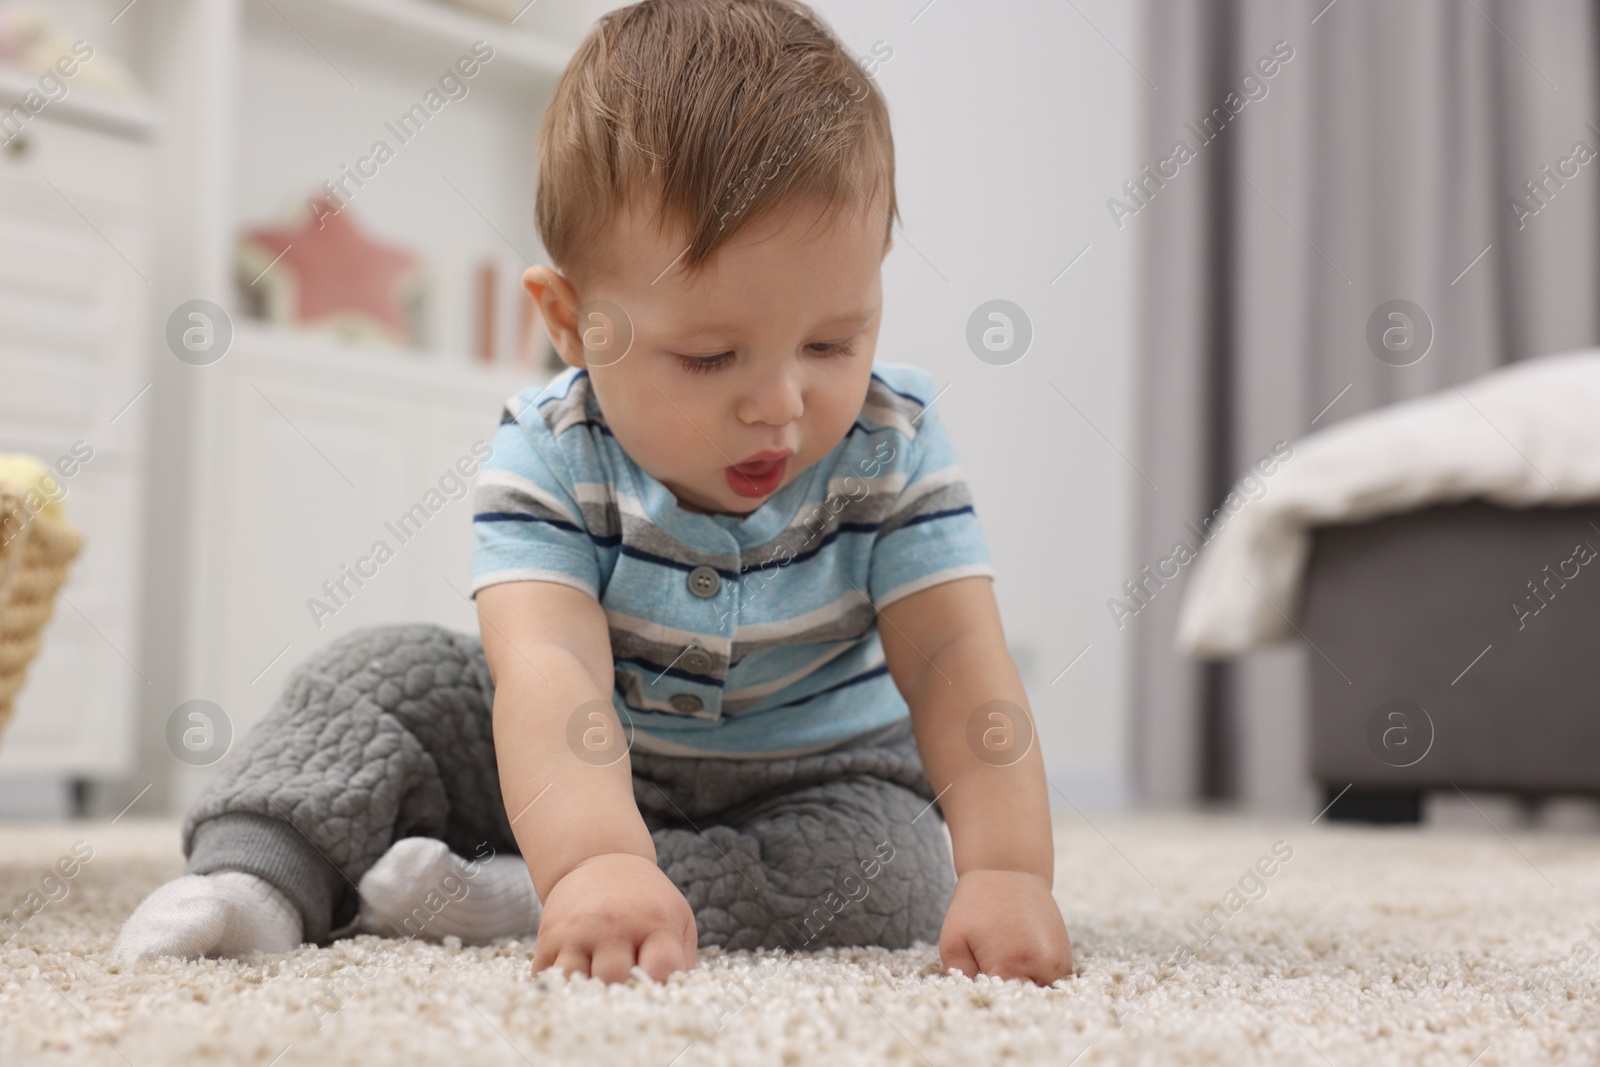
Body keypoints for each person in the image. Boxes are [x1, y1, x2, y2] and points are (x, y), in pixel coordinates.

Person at [113, 0, 1073, 987]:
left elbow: (958, 659)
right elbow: (551, 672)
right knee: (376, 676)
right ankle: (258, 880)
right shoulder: (550, 451)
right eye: (709, 356)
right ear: (571, 324)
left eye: (833, 342)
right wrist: (595, 849)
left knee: (887, 870)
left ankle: (530, 895)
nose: (782, 404)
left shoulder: (894, 441)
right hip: (569, 751)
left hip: (814, 775)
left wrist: (1006, 870)